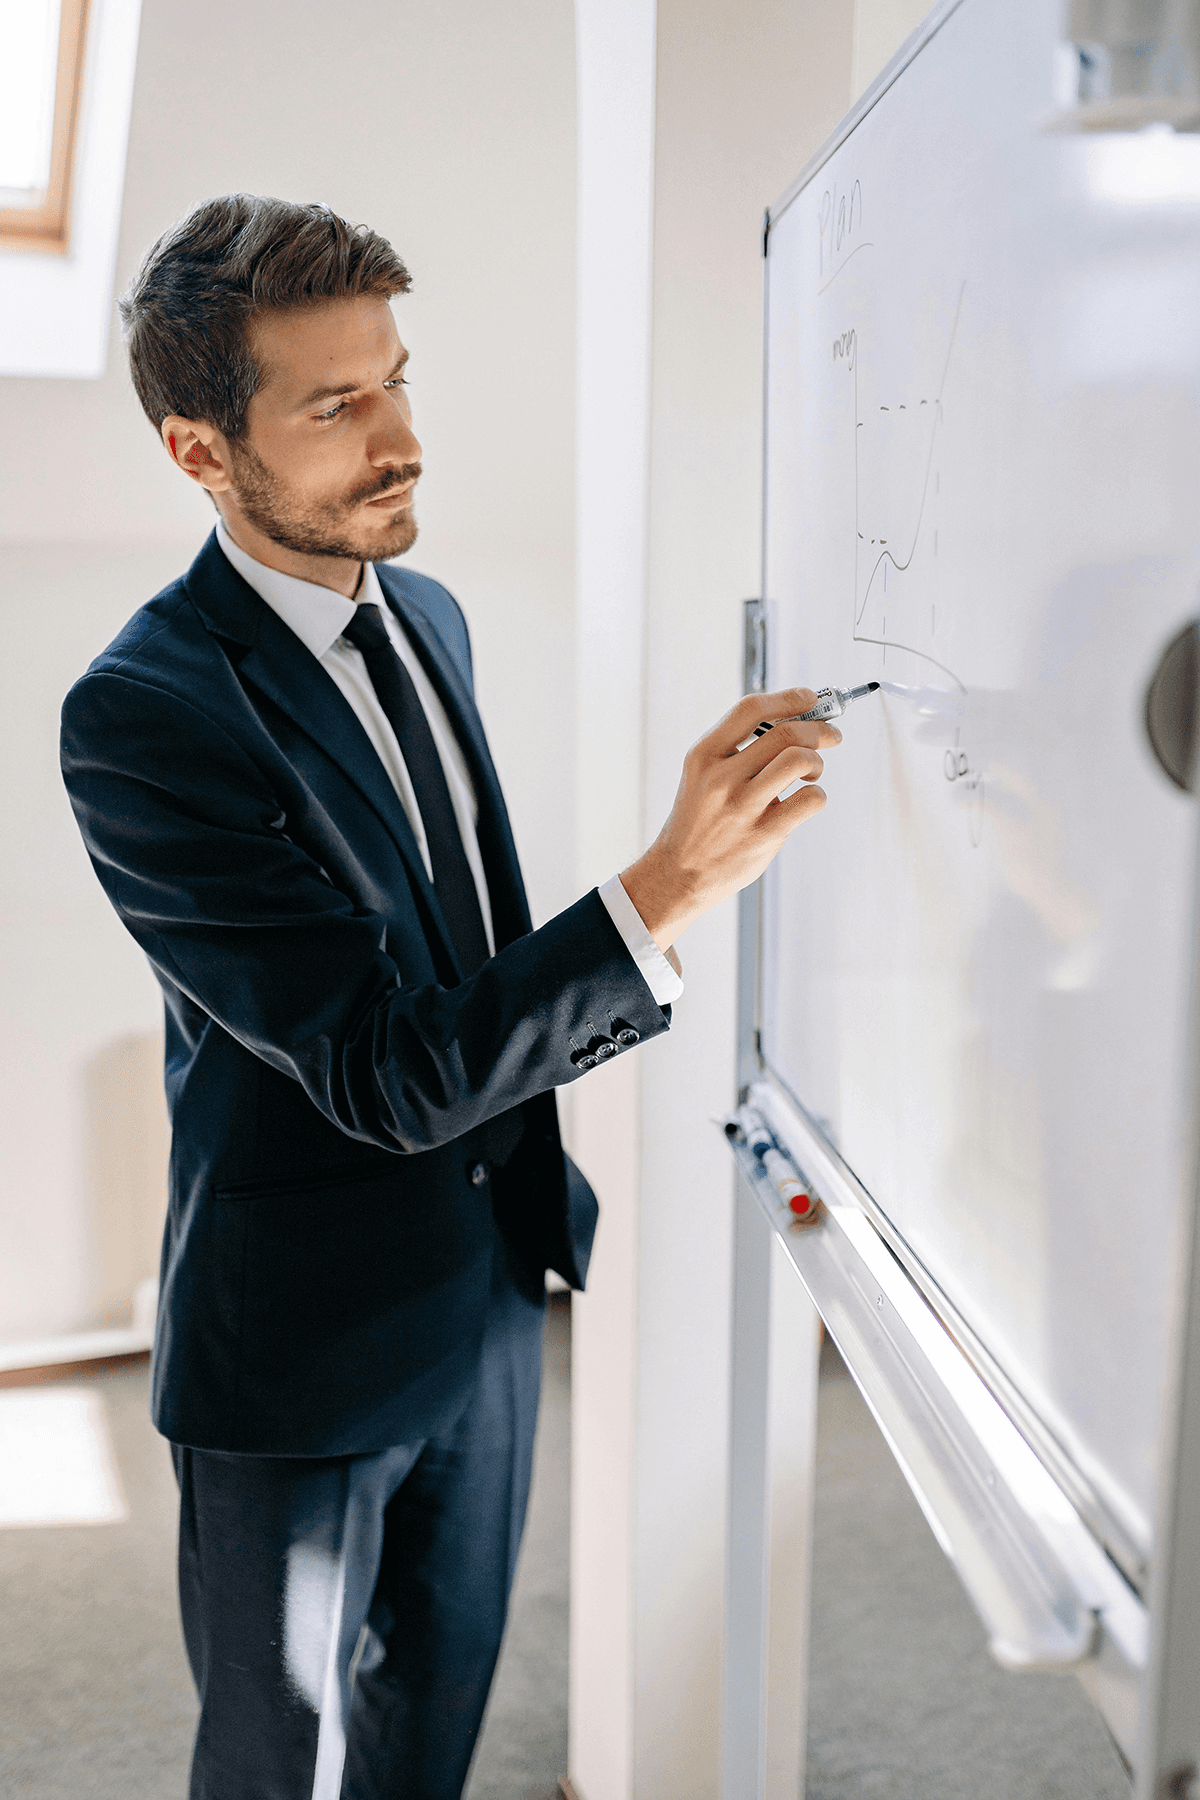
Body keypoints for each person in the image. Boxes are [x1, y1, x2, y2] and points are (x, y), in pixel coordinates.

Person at [59, 194, 838, 1800]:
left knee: (434, 1728)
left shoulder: (428, 614)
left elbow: (461, 960)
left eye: (399, 379)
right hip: (298, 1350)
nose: (400, 437)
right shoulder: (141, 718)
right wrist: (668, 888)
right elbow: (380, 1065)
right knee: (286, 1762)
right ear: (200, 452)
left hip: (486, 1289)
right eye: (336, 406)